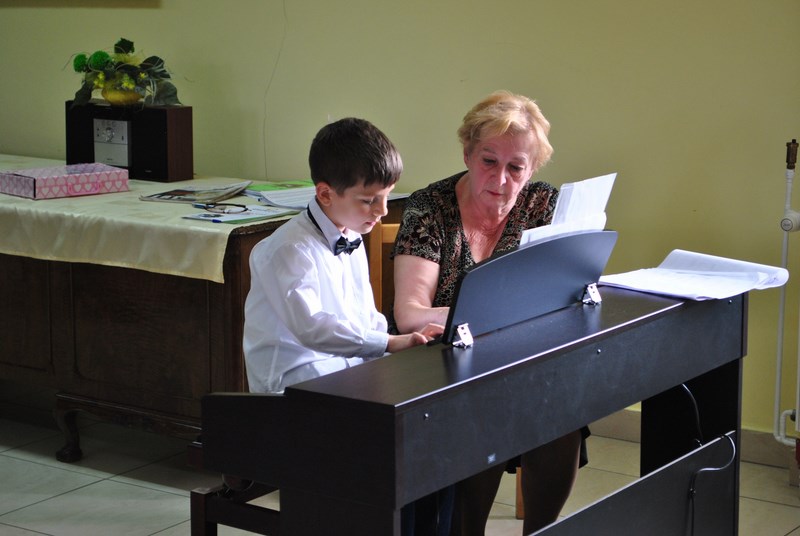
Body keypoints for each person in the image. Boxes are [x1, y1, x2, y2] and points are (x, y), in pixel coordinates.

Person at [391, 90, 586, 535]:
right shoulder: (429, 208)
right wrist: (493, 316)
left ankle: (540, 530)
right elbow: (410, 314)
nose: (500, 179)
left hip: (517, 359)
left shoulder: (543, 204)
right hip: (439, 363)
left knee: (562, 410)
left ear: (532, 170)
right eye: (488, 161)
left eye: (516, 167)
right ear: (467, 153)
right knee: (485, 408)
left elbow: (562, 295)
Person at [243, 117, 446, 536]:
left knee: (433, 431)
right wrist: (388, 343)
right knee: (381, 447)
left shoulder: (349, 231)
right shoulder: (286, 249)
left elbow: (365, 316)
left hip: (343, 376)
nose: (382, 212)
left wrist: (395, 354)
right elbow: (313, 329)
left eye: (386, 197)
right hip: (292, 387)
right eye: (369, 200)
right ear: (325, 194)